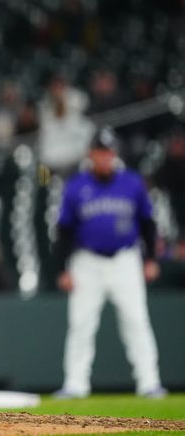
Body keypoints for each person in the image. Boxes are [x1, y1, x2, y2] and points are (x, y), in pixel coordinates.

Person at [53, 127, 166, 399]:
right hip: (87, 262)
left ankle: (149, 382)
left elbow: (147, 224)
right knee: (81, 324)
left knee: (137, 321)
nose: (104, 157)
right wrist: (62, 269)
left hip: (125, 260)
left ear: (114, 154)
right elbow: (64, 231)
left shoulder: (132, 182)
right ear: (91, 154)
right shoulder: (77, 186)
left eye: (108, 152)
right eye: (100, 152)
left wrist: (150, 258)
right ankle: (75, 384)